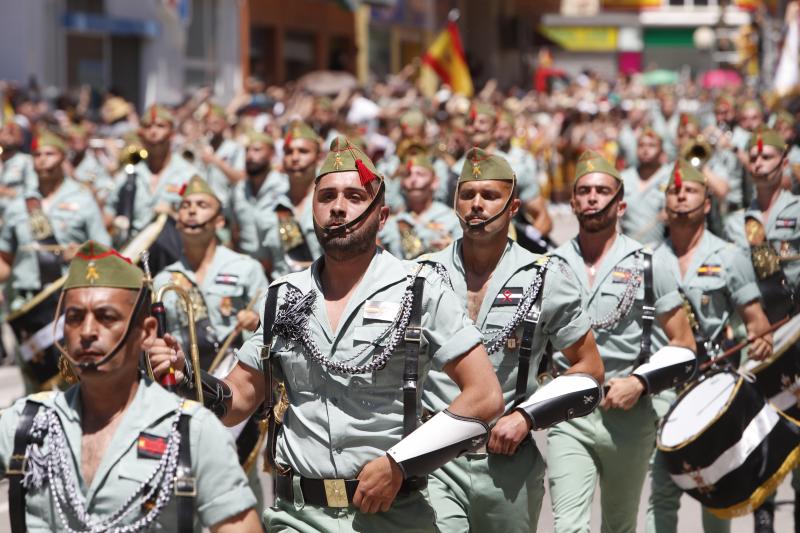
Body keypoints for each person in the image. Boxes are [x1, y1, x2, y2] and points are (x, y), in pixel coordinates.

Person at [148, 135, 505, 531]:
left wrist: (401, 464)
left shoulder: (420, 289)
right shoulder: (282, 296)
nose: (338, 207)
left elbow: (485, 396)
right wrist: (185, 376)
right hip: (298, 517)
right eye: (328, 196)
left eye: (354, 196)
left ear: (381, 216)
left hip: (392, 516)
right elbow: (237, 402)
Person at [0, 240, 261, 532]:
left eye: (106, 317)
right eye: (74, 318)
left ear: (147, 333)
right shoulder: (24, 425)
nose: (87, 332)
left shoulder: (192, 432)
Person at [420, 147, 604, 532]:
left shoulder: (545, 277)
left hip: (507, 461)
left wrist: (527, 416)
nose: (477, 205)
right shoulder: (423, 274)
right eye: (468, 195)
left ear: (513, 206)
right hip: (434, 460)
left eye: (489, 196)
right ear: (454, 202)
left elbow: (590, 367)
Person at [547, 150, 696, 533]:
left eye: (601, 190)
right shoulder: (551, 266)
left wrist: (640, 382)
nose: (592, 197)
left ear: (620, 204)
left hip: (628, 415)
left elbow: (684, 344)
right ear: (573, 201)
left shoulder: (649, 264)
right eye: (584, 191)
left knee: (619, 525)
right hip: (569, 416)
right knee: (568, 526)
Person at [645, 159, 773, 533]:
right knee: (663, 493)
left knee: (716, 493)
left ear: (706, 204)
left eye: (691, 190)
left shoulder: (730, 256)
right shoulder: (647, 259)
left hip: (711, 391)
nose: (681, 194)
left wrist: (758, 348)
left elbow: (757, 326)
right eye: (673, 190)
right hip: (664, 393)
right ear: (665, 204)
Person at [722, 128, 800, 533]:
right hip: (757, 341)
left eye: (768, 156)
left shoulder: (797, 211)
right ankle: (764, 521)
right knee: (760, 433)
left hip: (797, 336)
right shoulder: (737, 221)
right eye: (754, 158)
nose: (759, 163)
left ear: (784, 163)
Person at [0, 132, 110, 391]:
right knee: (36, 379)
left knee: (70, 376)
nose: (42, 160)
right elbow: (6, 258)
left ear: (62, 157)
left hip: (66, 301)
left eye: (49, 154)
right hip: (27, 304)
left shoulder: (82, 199)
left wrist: (83, 251)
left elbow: (105, 249)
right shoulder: (19, 204)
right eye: (37, 155)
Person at [105, 104, 199, 244]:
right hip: (134, 254)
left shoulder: (189, 174)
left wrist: (173, 215)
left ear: (172, 134)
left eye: (160, 126)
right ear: (141, 134)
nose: (153, 131)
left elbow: (203, 220)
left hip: (175, 252)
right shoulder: (129, 174)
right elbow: (108, 215)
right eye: (148, 127)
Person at [255, 121, 323, 278]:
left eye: (303, 151)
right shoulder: (268, 206)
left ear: (318, 157)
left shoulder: (332, 203)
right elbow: (266, 262)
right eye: (288, 152)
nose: (295, 158)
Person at [379, 154, 461, 259]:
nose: (413, 180)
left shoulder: (452, 218)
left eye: (420, 174)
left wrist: (452, 249)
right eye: (408, 175)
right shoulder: (390, 222)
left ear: (435, 182)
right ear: (402, 183)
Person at [229, 129, 288, 258]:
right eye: (247, 151)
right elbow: (234, 230)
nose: (250, 156)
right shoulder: (238, 190)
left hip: (279, 267)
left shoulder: (284, 187)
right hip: (248, 265)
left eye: (256, 150)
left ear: (272, 153)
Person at [619, 128, 672, 246]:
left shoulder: (670, 177)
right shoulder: (624, 178)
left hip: (661, 249)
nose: (646, 149)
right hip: (628, 247)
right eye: (641, 145)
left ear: (661, 150)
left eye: (652, 145)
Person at [197, 103, 245, 208]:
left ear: (225, 124)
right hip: (201, 206)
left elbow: (240, 177)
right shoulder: (201, 146)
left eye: (215, 123)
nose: (211, 127)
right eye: (207, 123)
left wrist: (215, 160)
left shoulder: (235, 148)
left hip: (225, 206)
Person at [0, 122, 36, 222]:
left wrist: (8, 192)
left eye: (12, 133)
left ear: (21, 139)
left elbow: (32, 191)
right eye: (4, 132)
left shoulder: (26, 161)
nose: (8, 136)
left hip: (16, 216)